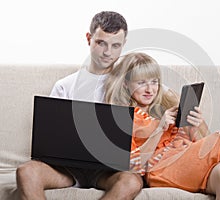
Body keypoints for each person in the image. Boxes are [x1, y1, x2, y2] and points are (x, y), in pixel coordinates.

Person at [105, 52, 220, 200]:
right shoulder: (123, 116)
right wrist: (159, 129)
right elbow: (132, 165)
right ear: (126, 84)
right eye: (141, 83)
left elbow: (206, 148)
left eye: (154, 82)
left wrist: (199, 124)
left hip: (186, 160)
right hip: (162, 168)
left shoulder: (168, 105)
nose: (150, 89)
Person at [16, 11, 143, 200]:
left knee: (132, 182)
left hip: (107, 172)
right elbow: (49, 139)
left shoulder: (130, 83)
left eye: (115, 46)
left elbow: (158, 102)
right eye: (101, 43)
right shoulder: (65, 86)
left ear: (123, 45)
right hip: (67, 169)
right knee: (26, 171)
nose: (108, 52)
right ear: (89, 38)